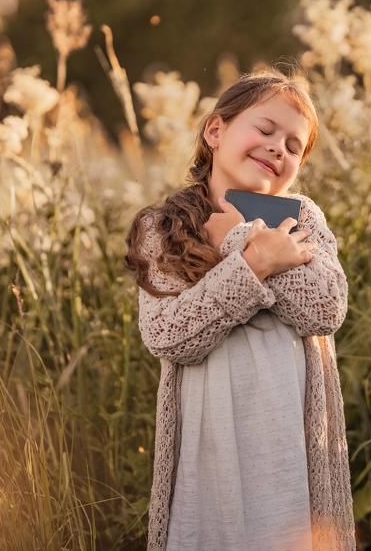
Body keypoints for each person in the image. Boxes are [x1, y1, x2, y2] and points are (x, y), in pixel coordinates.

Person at [124, 69, 355, 550]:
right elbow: (170, 334)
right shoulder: (163, 226)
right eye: (266, 130)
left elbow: (325, 308)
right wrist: (254, 263)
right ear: (215, 131)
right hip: (212, 444)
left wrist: (240, 238)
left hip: (291, 442)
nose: (278, 148)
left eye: (294, 146)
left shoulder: (302, 216)